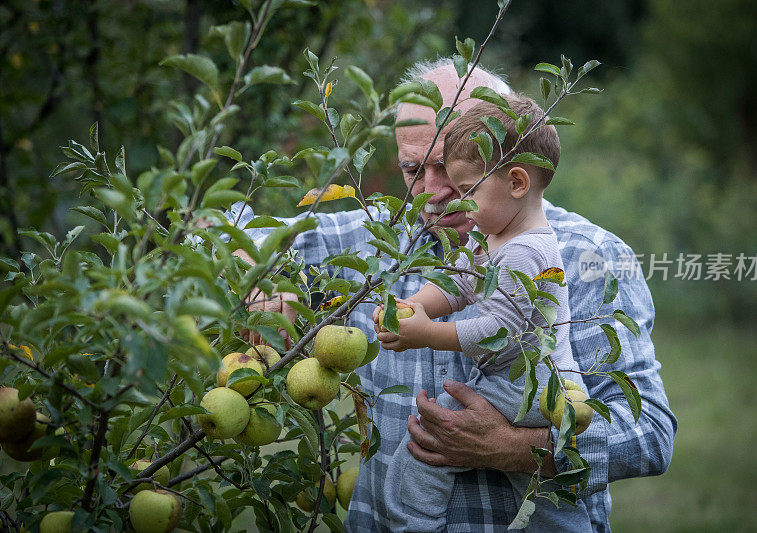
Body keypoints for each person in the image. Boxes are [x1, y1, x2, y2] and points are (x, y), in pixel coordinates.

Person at [231, 58, 677, 531]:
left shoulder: (592, 259)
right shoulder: (378, 243)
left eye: (450, 167)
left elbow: (649, 433)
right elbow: (225, 232)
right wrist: (254, 272)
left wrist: (512, 448)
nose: (432, 192)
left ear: (512, 163)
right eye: (413, 169)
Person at [374, 93, 591, 531]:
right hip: (514, 380)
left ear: (516, 183)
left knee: (427, 445)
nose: (461, 203)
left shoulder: (527, 251)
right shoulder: (495, 236)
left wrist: (426, 334)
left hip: (533, 382)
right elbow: (458, 284)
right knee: (538, 491)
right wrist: (415, 305)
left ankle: (413, 522)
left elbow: (499, 333)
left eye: (470, 190)